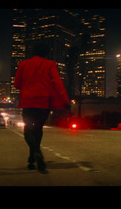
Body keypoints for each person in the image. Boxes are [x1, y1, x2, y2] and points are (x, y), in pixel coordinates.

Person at [14, 43, 70, 173]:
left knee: (28, 128)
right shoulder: (50, 64)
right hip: (44, 102)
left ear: (33, 51)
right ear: (47, 53)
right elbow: (57, 83)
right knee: (38, 129)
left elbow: (17, 85)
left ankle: (35, 154)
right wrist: (65, 101)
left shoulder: (23, 64)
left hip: (28, 101)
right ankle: (33, 156)